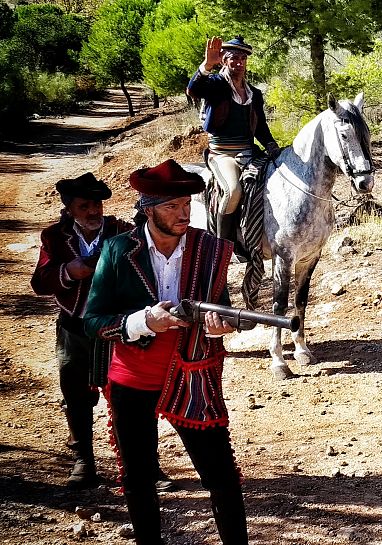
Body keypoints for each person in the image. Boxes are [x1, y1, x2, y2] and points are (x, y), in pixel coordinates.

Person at [84, 159, 247, 545]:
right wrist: (143, 322)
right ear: (148, 208)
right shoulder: (118, 250)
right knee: (138, 477)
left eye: (186, 204)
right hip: (133, 378)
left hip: (193, 375)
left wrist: (220, 326)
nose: (183, 213)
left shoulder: (209, 249)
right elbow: (93, 320)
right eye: (172, 206)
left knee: (221, 475)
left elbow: (220, 306)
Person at [30, 173, 132, 488]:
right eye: (84, 206)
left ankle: (140, 466)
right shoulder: (55, 237)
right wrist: (69, 271)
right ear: (69, 209)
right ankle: (84, 461)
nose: (93, 211)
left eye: (97, 204)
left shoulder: (122, 232)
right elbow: (40, 282)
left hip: (115, 327)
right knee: (76, 395)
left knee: (127, 397)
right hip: (73, 328)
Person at [186, 35, 279, 249]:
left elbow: (260, 126)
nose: (239, 62)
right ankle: (223, 245)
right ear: (224, 60)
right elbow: (193, 90)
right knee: (233, 190)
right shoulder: (216, 84)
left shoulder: (254, 93)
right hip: (222, 154)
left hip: (249, 152)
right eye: (233, 58)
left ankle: (257, 237)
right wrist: (207, 65)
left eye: (242, 58)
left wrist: (272, 146)